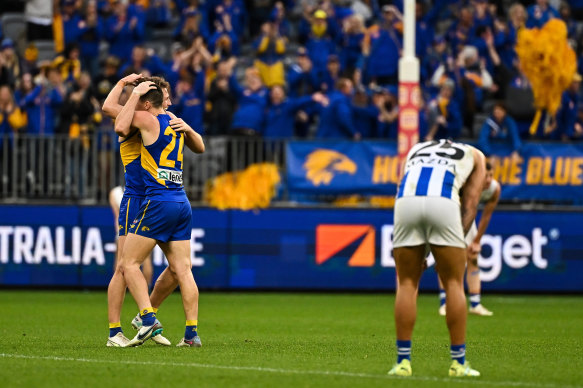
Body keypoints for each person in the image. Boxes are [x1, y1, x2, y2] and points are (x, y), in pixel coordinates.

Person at [114, 79, 205, 348]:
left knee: (128, 264)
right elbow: (200, 147)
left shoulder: (146, 119)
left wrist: (134, 94)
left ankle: (148, 318)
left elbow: (120, 125)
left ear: (145, 101)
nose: (170, 101)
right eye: (166, 97)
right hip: (181, 201)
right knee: (183, 270)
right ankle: (191, 334)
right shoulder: (175, 121)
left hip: (158, 201)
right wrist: (188, 128)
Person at [389, 139, 484, 377]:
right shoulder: (477, 156)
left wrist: (419, 251)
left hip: (405, 202)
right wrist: (455, 244)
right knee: (453, 282)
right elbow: (471, 204)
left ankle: (402, 363)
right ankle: (458, 364)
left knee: (407, 282)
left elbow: (401, 183)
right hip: (443, 200)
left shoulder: (416, 148)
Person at [438, 161, 500, 317]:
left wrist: (476, 241)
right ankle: (445, 303)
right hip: (448, 214)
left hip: (468, 217)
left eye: (491, 175)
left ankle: (475, 304)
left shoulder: (494, 189)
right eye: (486, 175)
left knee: (473, 257)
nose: (488, 179)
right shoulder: (463, 184)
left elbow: (486, 216)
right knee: (446, 259)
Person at [109, 186, 153, 290]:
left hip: (124, 228)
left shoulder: (114, 193)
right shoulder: (146, 190)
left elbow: (117, 216)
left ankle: (119, 290)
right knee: (146, 259)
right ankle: (146, 289)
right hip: (141, 228)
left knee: (120, 261)